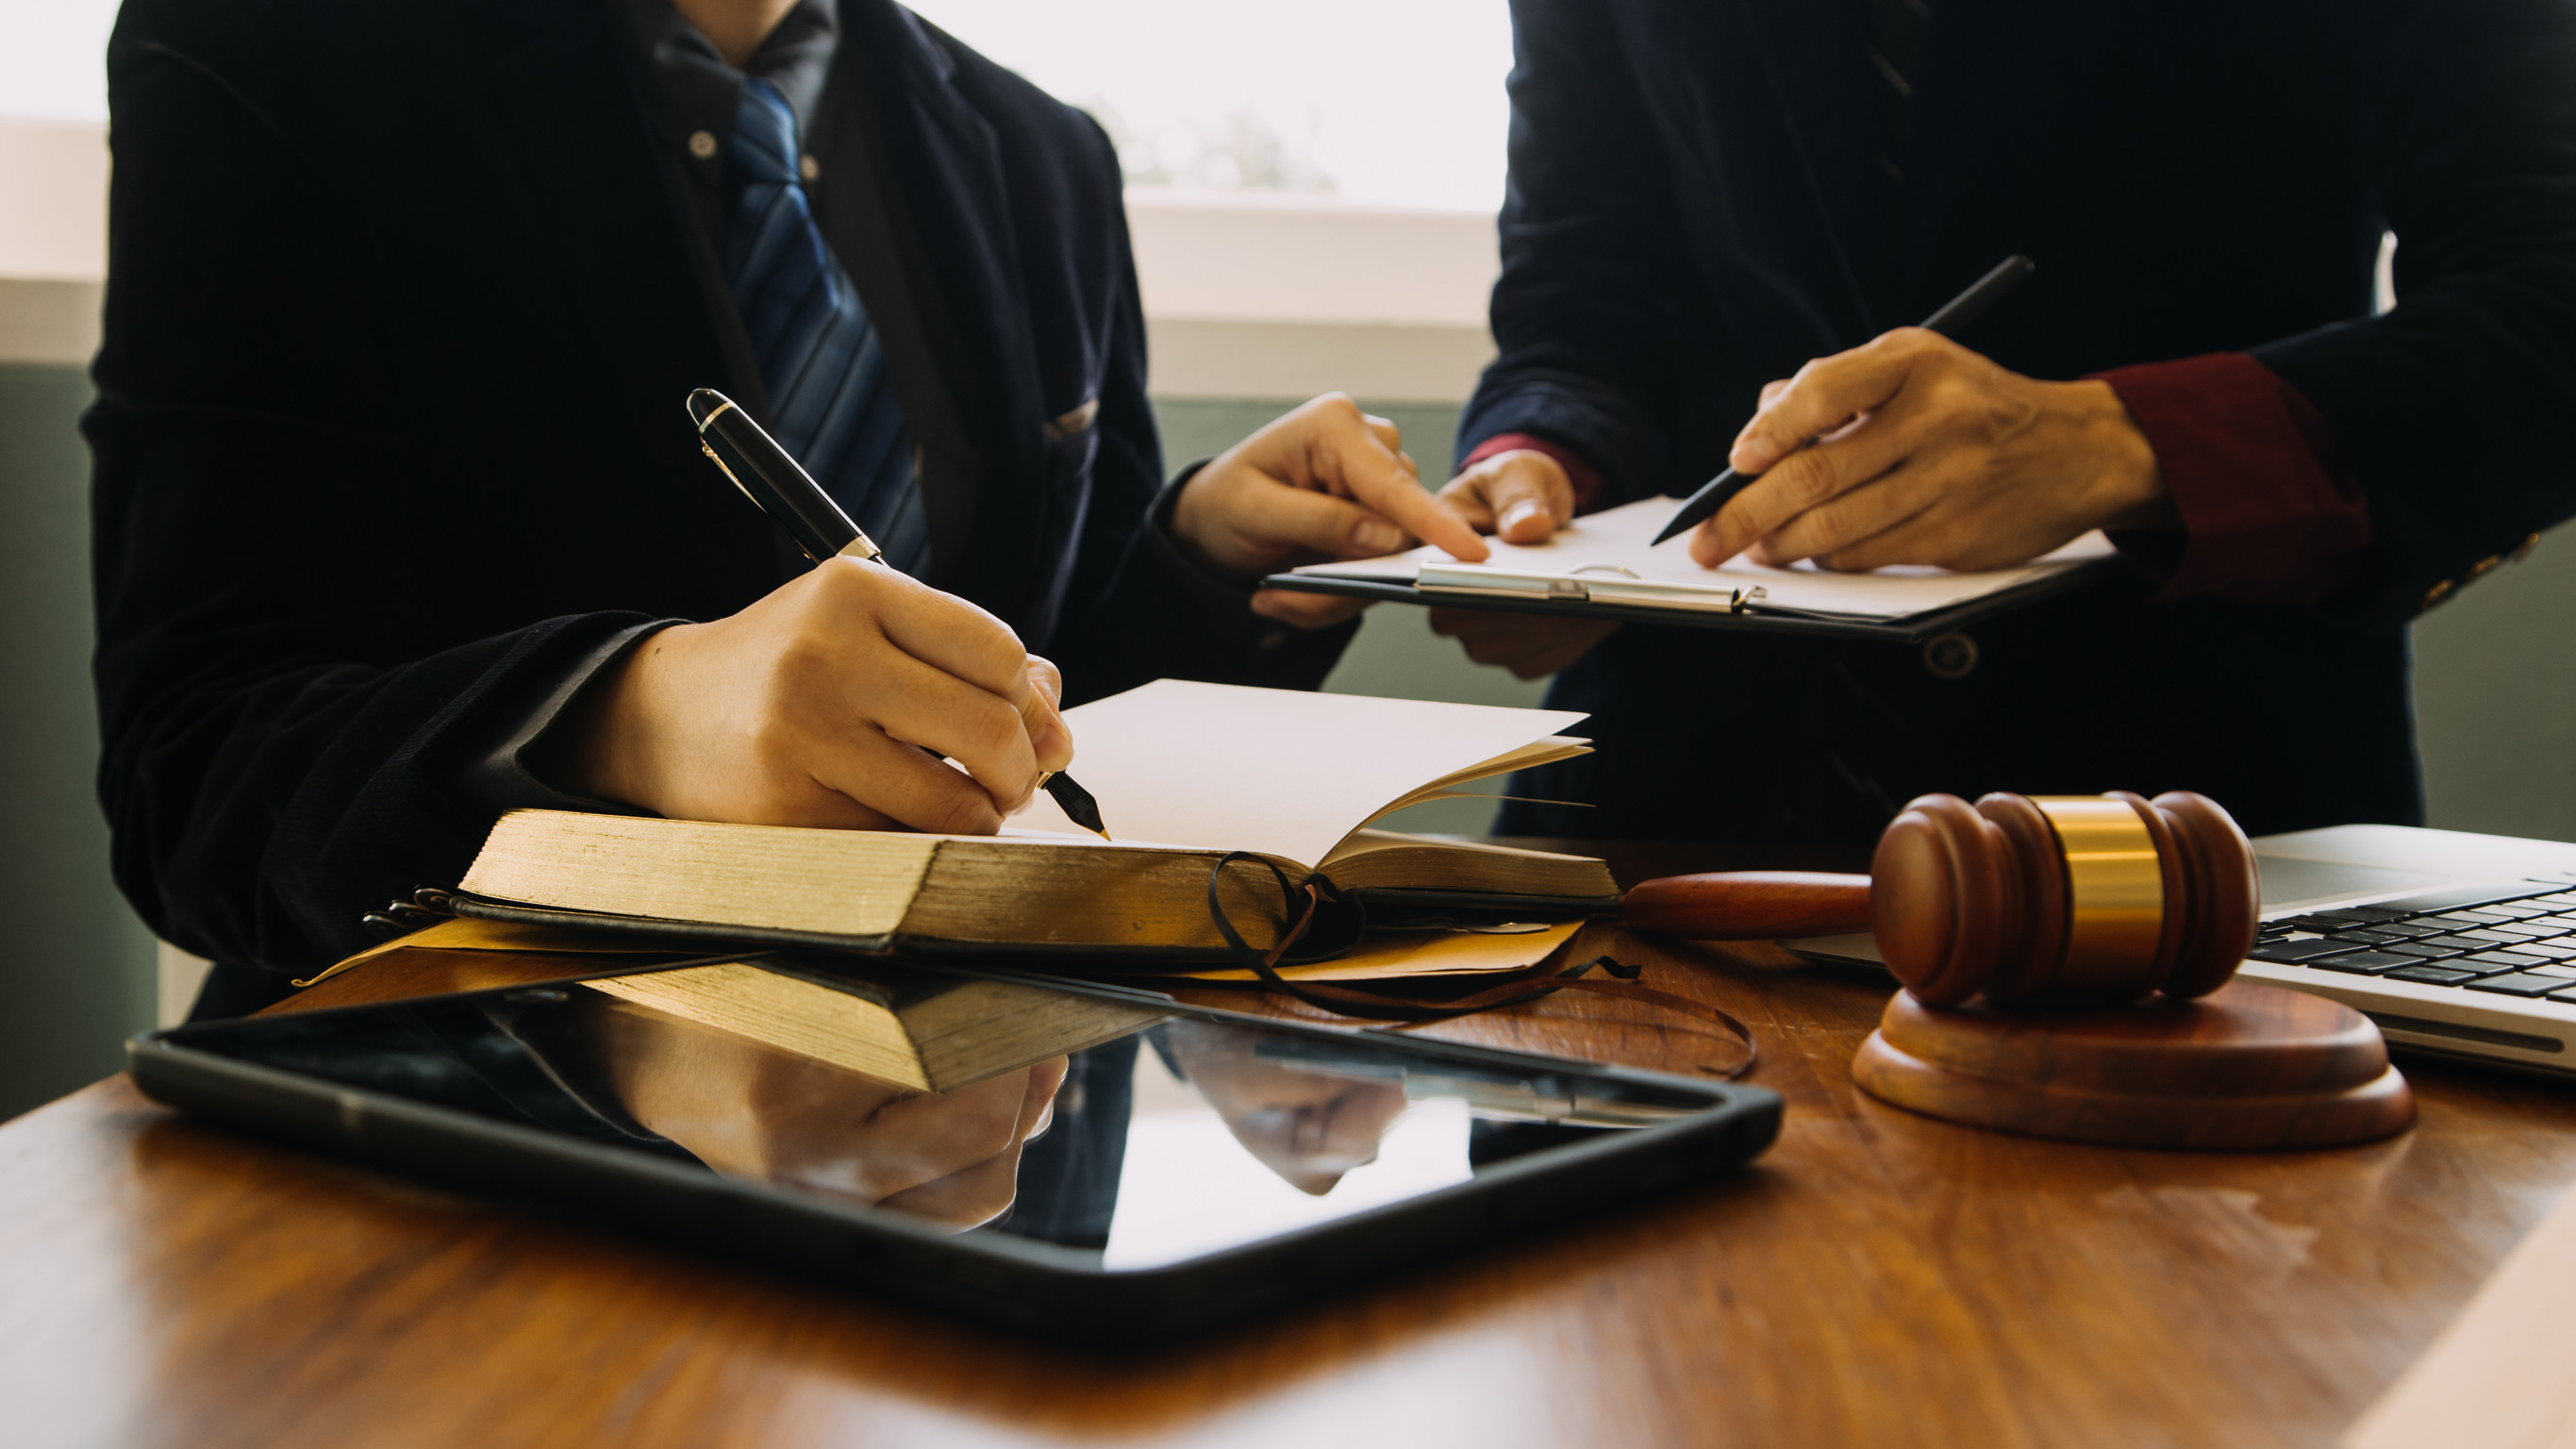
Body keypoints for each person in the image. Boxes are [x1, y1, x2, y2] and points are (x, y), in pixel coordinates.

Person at [87, 0, 1484, 1016]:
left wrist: (1198, 562)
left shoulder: (1037, 155)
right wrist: (623, 714)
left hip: (977, 1107)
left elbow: (1039, 747)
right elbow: (192, 785)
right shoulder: (264, 55)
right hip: (459, 1138)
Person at [1430, 0, 2576, 847]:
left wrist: (2126, 443)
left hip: (2194, 855)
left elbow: (2548, 295)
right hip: (1655, 855)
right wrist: (1538, 457)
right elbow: (1578, 297)